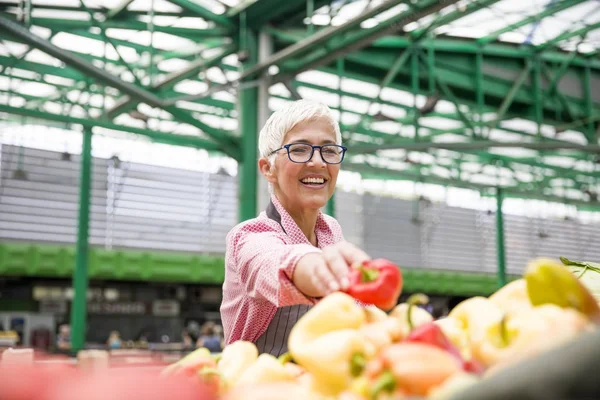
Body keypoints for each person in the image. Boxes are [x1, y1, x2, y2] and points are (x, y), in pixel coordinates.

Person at [220, 99, 371, 357]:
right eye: (299, 149)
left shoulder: (331, 232)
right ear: (268, 168)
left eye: (329, 150)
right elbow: (271, 262)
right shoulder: (248, 237)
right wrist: (320, 270)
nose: (318, 162)